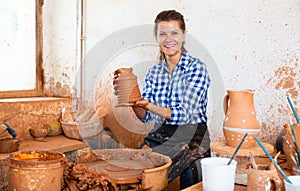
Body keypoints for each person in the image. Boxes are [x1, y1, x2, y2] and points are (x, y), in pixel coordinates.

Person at [128, 10, 212, 189]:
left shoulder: (196, 68)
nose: (168, 39)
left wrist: (150, 105)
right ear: (157, 37)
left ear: (183, 35)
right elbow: (145, 116)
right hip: (161, 135)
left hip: (193, 137)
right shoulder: (154, 73)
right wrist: (130, 95)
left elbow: (185, 115)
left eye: (174, 33)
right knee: (136, 170)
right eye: (162, 34)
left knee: (193, 171)